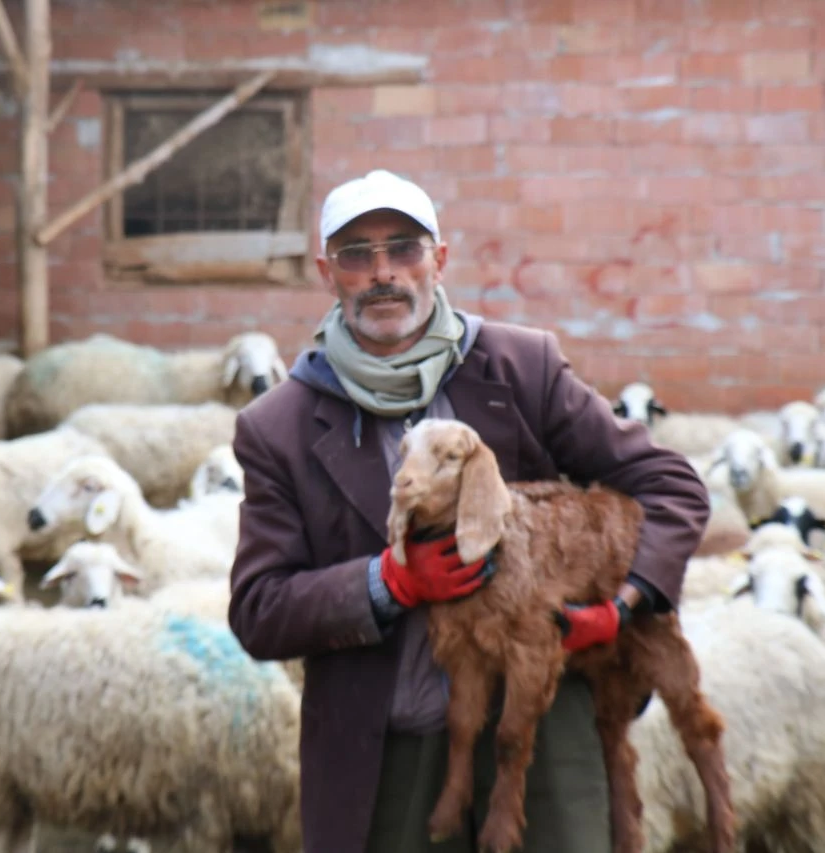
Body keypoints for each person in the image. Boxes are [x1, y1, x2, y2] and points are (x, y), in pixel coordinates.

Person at [226, 169, 710, 853]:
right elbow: (259, 608)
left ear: (440, 259)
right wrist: (384, 582)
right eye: (356, 254)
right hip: (392, 737)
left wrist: (625, 605)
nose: (384, 272)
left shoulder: (519, 366)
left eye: (404, 248)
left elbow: (670, 485)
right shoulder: (281, 424)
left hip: (543, 720)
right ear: (327, 272)